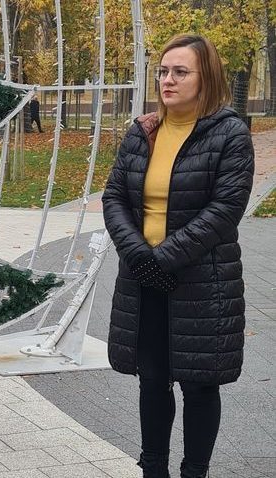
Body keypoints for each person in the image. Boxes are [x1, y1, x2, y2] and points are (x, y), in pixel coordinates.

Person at [102, 34, 254, 478]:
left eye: (180, 72)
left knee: (199, 385)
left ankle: (194, 472)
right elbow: (114, 197)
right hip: (143, 278)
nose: (167, 80)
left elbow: (224, 210)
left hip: (203, 282)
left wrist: (162, 258)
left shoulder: (229, 134)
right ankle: (153, 470)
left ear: (206, 78)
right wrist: (139, 255)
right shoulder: (143, 131)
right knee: (152, 380)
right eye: (163, 72)